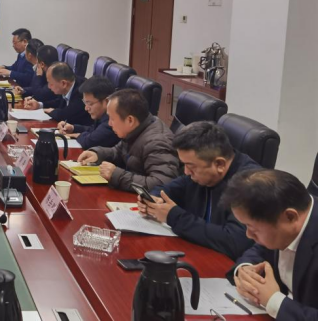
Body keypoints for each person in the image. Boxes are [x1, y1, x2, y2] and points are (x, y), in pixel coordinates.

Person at [138, 122, 259, 260]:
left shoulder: (250, 185)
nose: (186, 172)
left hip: (224, 264)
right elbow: (166, 189)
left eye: (191, 167)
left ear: (219, 164)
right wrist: (153, 200)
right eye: (184, 165)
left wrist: (174, 217)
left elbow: (234, 241)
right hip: (197, 252)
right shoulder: (202, 171)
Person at [226, 170, 317, 321]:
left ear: (290, 217)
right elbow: (260, 249)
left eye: (253, 228)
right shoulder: (283, 226)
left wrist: (274, 301)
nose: (248, 235)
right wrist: (245, 270)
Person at [77, 89, 179, 192]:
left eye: (112, 119)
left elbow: (162, 184)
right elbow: (118, 151)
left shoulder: (157, 142)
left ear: (130, 120)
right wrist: (98, 154)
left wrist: (118, 176)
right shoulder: (137, 129)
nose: (109, 124)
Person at [57, 76, 119, 150]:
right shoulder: (103, 116)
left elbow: (89, 142)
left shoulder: (112, 121)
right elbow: (93, 130)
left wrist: (78, 135)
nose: (86, 108)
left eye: (90, 103)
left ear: (106, 101)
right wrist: (73, 128)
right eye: (85, 103)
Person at [26, 63, 93, 127]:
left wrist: (52, 111)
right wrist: (39, 105)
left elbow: (65, 114)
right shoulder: (67, 86)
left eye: (50, 83)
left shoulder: (82, 91)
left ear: (63, 83)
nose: (49, 87)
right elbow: (58, 102)